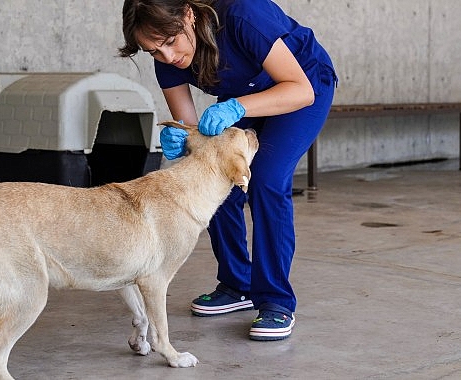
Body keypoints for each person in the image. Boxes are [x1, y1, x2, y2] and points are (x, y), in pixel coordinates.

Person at [119, 0, 336, 341]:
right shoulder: (168, 58)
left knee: (266, 180)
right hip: (246, 94)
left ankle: (276, 300)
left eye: (171, 42)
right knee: (210, 172)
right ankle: (237, 284)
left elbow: (300, 89)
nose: (168, 57)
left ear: (188, 14)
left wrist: (235, 107)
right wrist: (179, 136)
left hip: (302, 84)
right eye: (154, 51)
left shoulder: (241, 17)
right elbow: (190, 129)